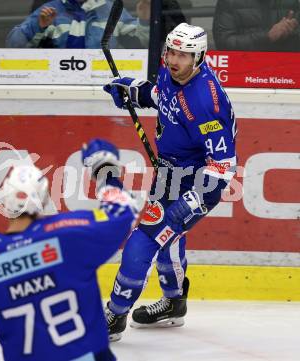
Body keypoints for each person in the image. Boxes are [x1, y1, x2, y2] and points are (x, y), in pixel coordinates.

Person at [0, 139, 139, 361]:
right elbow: (124, 212)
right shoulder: (70, 234)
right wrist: (104, 170)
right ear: (45, 198)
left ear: (5, 202)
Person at [103, 23, 237, 341]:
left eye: (183, 55)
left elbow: (222, 168)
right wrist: (135, 91)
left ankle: (114, 315)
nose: (174, 60)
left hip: (194, 181)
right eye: (171, 52)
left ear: (199, 57)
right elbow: (161, 96)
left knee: (143, 242)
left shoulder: (206, 103)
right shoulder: (170, 72)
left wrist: (187, 205)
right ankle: (174, 303)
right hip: (168, 173)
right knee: (169, 239)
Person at [6, 0, 151, 49]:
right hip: (56, 86)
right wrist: (38, 26)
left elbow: (144, 45)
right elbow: (13, 45)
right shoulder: (51, 9)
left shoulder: (111, 9)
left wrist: (144, 20)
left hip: (103, 83)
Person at [212, 0, 300, 52]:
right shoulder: (229, 2)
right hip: (244, 71)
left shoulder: (290, 2)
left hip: (284, 71)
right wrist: (267, 37)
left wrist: (290, 34)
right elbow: (223, 43)